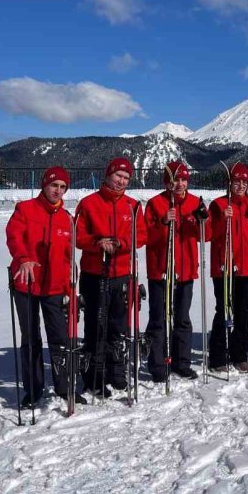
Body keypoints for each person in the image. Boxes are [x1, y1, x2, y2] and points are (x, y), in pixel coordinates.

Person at [6, 166, 82, 406]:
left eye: (62, 187)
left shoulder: (67, 218)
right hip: (26, 283)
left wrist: (71, 289)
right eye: (54, 185)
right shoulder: (25, 209)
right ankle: (33, 388)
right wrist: (23, 257)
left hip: (55, 287)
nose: (57, 191)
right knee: (31, 338)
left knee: (60, 338)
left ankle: (64, 387)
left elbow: (69, 258)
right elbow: (14, 235)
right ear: (44, 185)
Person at [74, 157, 147, 395]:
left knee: (118, 327)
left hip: (122, 274)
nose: (121, 181)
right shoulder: (88, 203)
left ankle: (116, 372)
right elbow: (77, 236)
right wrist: (97, 242)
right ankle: (95, 376)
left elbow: (142, 235)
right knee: (96, 326)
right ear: (108, 175)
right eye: (118, 176)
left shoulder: (133, 206)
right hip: (95, 274)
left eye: (126, 178)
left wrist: (122, 242)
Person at [144, 160, 210, 382]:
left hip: (186, 269)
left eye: (183, 179)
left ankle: (181, 362)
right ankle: (158, 364)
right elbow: (146, 236)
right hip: (161, 269)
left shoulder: (194, 202)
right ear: (167, 182)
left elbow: (206, 236)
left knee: (182, 318)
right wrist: (163, 222)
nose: (180, 184)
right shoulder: (155, 203)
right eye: (175, 180)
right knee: (159, 318)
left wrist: (202, 220)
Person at [209, 162, 248, 373]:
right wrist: (221, 221)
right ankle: (218, 356)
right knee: (224, 310)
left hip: (247, 267)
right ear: (230, 183)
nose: (241, 185)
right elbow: (209, 235)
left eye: (244, 182)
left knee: (243, 311)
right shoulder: (218, 205)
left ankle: (239, 355)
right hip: (224, 266)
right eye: (237, 181)